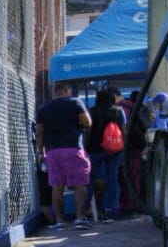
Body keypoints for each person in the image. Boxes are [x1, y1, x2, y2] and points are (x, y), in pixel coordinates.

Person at [35, 82, 92, 230]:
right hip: (73, 148)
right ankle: (80, 218)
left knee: (57, 186)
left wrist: (40, 152)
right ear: (66, 90)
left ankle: (59, 221)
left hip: (52, 152)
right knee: (80, 184)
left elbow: (39, 132)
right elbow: (87, 123)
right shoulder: (75, 102)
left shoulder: (44, 109)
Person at [84, 89, 125, 223]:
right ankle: (111, 209)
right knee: (113, 178)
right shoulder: (119, 112)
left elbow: (88, 130)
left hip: (95, 148)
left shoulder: (91, 111)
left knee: (90, 179)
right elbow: (124, 130)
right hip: (114, 149)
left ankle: (85, 210)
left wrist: (85, 146)